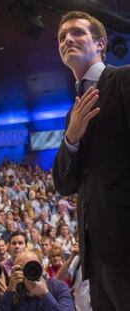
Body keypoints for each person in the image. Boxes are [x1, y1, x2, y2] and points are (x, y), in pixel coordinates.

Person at [53, 10, 130, 310]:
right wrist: (71, 137)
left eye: (77, 33)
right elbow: (64, 184)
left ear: (100, 44)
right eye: (61, 37)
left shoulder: (124, 79)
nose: (67, 40)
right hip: (94, 256)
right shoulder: (71, 114)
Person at [0, 250, 74, 310]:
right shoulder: (14, 292)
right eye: (21, 268)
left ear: (42, 268)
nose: (28, 272)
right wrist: (9, 292)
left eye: (32, 267)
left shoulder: (58, 287)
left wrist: (45, 295)